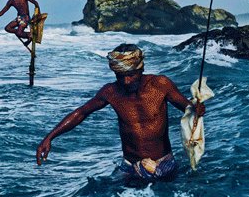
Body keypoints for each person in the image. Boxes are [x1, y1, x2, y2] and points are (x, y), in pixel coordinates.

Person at [36, 44, 206, 184]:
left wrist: (196, 108)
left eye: (130, 75)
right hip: (130, 167)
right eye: (120, 76)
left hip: (163, 163)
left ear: (141, 69)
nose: (126, 81)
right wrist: (49, 137)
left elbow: (187, 108)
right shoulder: (111, 92)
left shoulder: (160, 85)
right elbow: (81, 113)